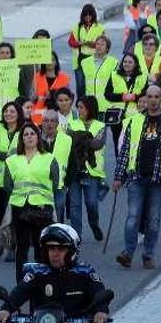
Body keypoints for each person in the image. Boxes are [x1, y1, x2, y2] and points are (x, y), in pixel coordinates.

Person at [112, 85, 161, 269]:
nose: (153, 100)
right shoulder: (134, 120)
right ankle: (128, 253)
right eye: (149, 96)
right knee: (133, 217)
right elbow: (125, 150)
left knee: (153, 220)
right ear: (146, 98)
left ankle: (148, 254)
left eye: (156, 96)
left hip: (158, 179)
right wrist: (119, 176)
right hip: (136, 177)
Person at [4, 122, 58, 279]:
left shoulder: (49, 158)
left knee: (41, 247)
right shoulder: (12, 160)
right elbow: (7, 185)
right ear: (21, 139)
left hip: (41, 208)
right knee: (22, 246)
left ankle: (40, 281)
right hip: (20, 207)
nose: (29, 137)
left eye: (32, 133)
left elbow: (55, 183)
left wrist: (44, 199)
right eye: (25, 134)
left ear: (38, 137)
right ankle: (21, 282)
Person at [66, 96, 107, 242]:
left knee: (91, 203)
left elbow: (98, 144)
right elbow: (69, 142)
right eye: (78, 107)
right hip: (74, 170)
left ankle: (94, 224)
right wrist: (86, 139)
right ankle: (76, 236)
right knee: (75, 206)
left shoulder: (101, 125)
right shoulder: (71, 124)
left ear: (90, 108)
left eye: (81, 107)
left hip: (92, 171)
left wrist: (80, 139)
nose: (79, 110)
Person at [0, 102, 23, 260]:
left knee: (13, 215)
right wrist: (8, 155)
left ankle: (11, 247)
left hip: (16, 181)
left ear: (18, 113)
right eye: (5, 111)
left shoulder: (24, 131)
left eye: (12, 111)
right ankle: (1, 237)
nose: (8, 114)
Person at [104, 52, 148, 153]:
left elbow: (146, 95)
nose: (127, 64)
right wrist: (122, 96)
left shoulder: (142, 77)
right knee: (118, 145)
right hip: (117, 116)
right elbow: (107, 94)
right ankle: (120, 166)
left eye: (130, 62)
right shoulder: (114, 75)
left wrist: (134, 97)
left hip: (135, 116)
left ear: (135, 64)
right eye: (125, 61)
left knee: (134, 144)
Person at [68, 4, 106, 98]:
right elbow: (70, 42)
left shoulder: (100, 28)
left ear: (93, 15)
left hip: (94, 59)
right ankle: (81, 103)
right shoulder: (77, 27)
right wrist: (80, 43)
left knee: (93, 85)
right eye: (86, 15)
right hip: (79, 59)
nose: (88, 17)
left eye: (90, 15)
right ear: (83, 15)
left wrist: (92, 44)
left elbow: (104, 44)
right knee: (80, 86)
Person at [30, 52, 70, 125]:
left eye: (53, 60)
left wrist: (53, 95)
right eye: (47, 60)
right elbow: (32, 98)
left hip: (58, 116)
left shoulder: (64, 78)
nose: (50, 62)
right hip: (39, 117)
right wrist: (34, 97)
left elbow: (68, 98)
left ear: (56, 62)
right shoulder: (37, 77)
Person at [80, 36, 118, 105]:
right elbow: (81, 86)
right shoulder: (84, 62)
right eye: (97, 44)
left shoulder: (114, 62)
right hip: (90, 104)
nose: (99, 46)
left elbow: (117, 85)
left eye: (102, 44)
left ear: (107, 48)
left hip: (107, 104)